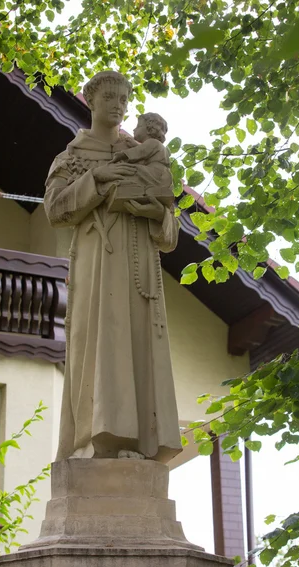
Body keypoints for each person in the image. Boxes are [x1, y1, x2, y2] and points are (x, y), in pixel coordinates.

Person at [44, 71, 182, 463]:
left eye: (124, 98)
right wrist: (98, 178)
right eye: (110, 96)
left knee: (139, 346)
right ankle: (96, 440)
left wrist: (158, 213)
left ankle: (141, 443)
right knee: (102, 343)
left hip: (142, 273)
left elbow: (170, 234)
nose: (118, 105)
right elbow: (55, 210)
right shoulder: (72, 157)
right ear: (90, 100)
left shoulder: (146, 153)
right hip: (96, 266)